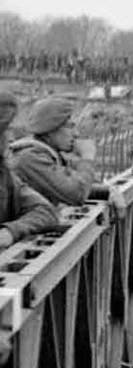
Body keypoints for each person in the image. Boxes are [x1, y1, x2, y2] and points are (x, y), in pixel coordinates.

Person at [8, 97, 96, 206]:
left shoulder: (44, 154)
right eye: (70, 126)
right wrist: (87, 158)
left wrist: (108, 192)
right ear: (51, 129)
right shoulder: (31, 158)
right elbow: (76, 194)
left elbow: (73, 183)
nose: (76, 134)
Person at [0, 92, 60, 250]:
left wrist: (11, 231)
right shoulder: (27, 158)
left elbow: (46, 211)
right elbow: (74, 192)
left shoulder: (5, 177)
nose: (12, 138)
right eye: (7, 130)